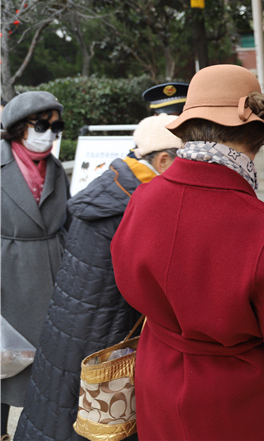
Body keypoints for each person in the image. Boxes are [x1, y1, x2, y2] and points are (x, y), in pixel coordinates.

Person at [111, 65, 264, 440]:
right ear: (254, 134)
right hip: (238, 401)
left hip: (160, 376)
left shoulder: (143, 198)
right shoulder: (258, 224)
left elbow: (127, 283)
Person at [14, 114, 182, 441]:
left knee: (55, 411)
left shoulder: (114, 183)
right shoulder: (138, 203)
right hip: (103, 339)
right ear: (163, 160)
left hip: (70, 331)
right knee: (90, 423)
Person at [1, 91, 71, 439]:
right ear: (18, 128)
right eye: (41, 125)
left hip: (52, 272)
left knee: (48, 368)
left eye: (56, 127)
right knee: (3, 362)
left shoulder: (56, 169)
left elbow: (67, 221)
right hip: (7, 275)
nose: (49, 133)